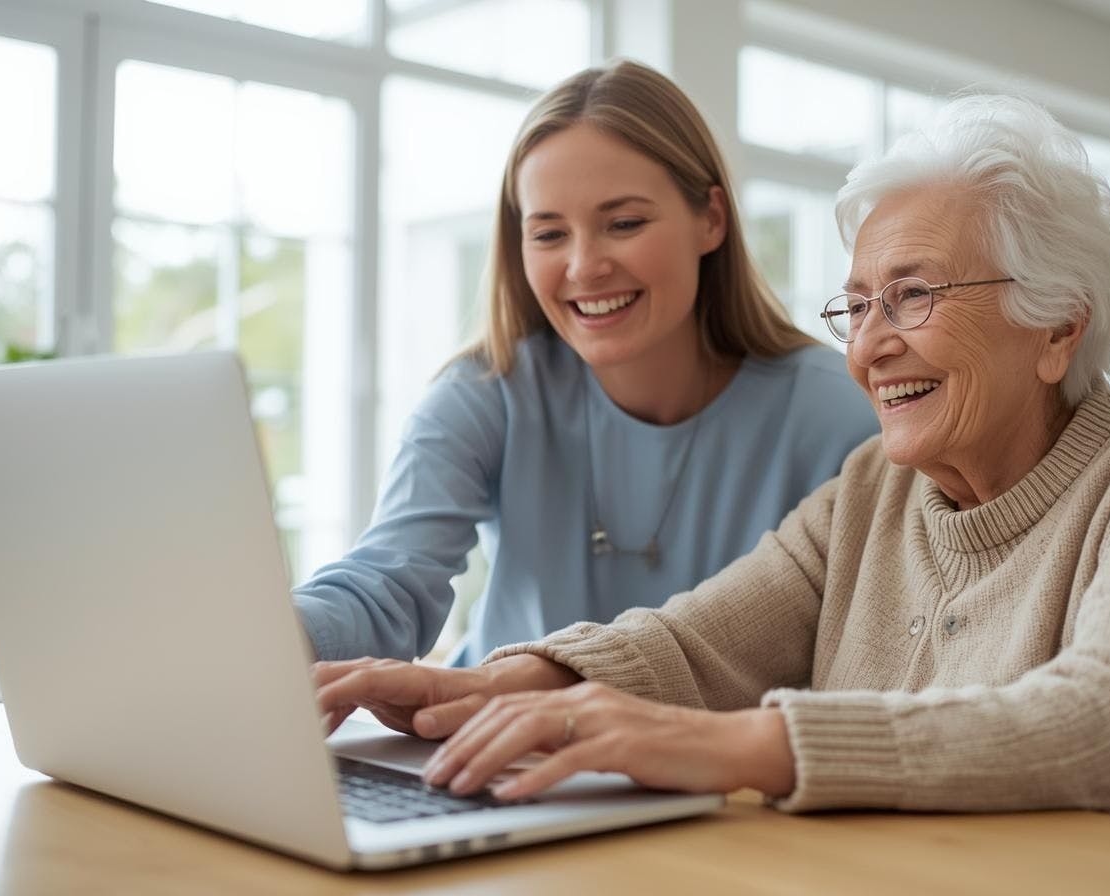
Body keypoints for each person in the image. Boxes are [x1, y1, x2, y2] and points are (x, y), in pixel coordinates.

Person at [310, 94, 1110, 839]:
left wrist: (742, 743)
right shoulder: (871, 489)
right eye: (856, 306)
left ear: (1057, 324)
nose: (868, 347)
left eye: (909, 295)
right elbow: (692, 646)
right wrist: (500, 680)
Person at [293, 60, 878, 666]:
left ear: (711, 219)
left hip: (711, 759)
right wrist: (256, 632)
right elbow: (385, 590)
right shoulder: (487, 393)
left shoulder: (837, 415)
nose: (584, 266)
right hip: (488, 748)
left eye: (623, 223)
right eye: (549, 234)